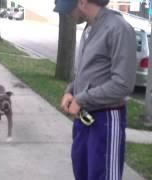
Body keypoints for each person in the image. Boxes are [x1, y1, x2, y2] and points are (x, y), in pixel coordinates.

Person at [54, 0, 137, 180]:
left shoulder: (118, 29)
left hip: (106, 120)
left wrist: (81, 99)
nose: (68, 15)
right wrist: (71, 91)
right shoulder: (89, 28)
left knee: (103, 175)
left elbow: (123, 85)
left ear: (82, 2)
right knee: (82, 172)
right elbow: (86, 72)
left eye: (69, 9)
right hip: (84, 118)